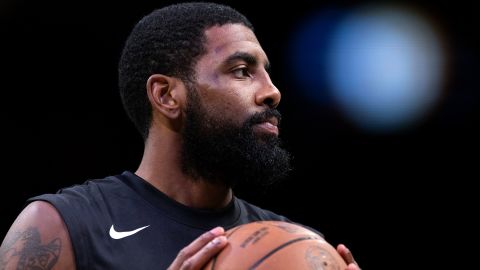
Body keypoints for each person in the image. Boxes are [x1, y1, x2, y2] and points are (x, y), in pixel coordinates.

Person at [0, 2, 360, 269]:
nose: (272, 91)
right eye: (241, 71)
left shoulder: (294, 246)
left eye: (267, 72)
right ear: (167, 95)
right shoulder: (60, 226)